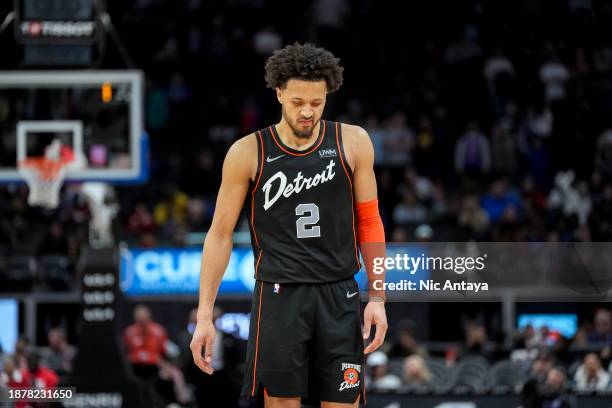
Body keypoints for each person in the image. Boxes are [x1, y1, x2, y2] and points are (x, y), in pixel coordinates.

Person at [190, 43, 388, 407]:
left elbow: (370, 220)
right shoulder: (248, 152)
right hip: (279, 296)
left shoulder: (353, 141)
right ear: (278, 92)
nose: (308, 112)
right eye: (298, 102)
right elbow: (219, 235)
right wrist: (205, 316)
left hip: (340, 292)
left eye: (317, 102)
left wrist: (377, 296)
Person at [123, 305, 168, 380]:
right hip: (135, 366)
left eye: (144, 316)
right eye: (139, 317)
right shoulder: (129, 332)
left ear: (149, 316)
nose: (142, 319)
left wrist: (165, 367)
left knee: (173, 374)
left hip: (155, 365)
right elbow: (126, 351)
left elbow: (163, 353)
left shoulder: (159, 331)